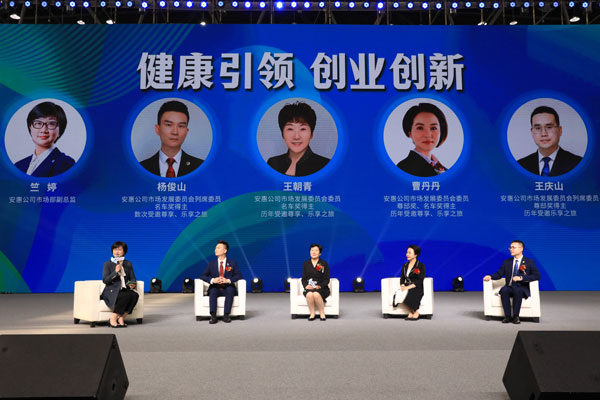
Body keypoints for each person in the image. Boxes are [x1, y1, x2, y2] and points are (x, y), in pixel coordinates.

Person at [140, 100, 204, 177]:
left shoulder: (200, 167)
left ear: (186, 132)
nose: (175, 132)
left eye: (181, 126)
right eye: (168, 125)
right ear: (157, 129)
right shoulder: (141, 168)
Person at [484, 240, 541, 324]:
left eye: (513, 247)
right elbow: (499, 274)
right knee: (504, 290)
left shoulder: (529, 262)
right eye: (510, 248)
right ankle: (507, 316)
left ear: (521, 248)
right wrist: (490, 276)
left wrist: (521, 278)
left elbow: (537, 276)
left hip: (521, 287)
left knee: (517, 290)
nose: (511, 249)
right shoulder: (507, 262)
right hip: (509, 286)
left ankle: (516, 316)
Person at [267, 102, 330, 177]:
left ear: (311, 134)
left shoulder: (325, 165)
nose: (296, 136)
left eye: (303, 129)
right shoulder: (273, 163)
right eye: (290, 129)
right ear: (282, 134)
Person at [517, 106, 582, 177]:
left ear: (560, 130)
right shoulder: (520, 166)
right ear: (532, 132)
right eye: (538, 128)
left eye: (549, 127)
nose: (544, 134)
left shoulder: (578, 164)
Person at [14, 101, 75, 177]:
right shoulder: (18, 165)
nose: (43, 130)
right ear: (30, 127)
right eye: (38, 123)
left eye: (51, 124)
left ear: (60, 130)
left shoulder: (66, 164)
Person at [396, 102, 449, 177]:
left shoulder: (443, 170)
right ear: (410, 132)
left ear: (441, 131)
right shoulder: (403, 169)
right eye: (420, 128)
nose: (428, 134)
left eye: (433, 128)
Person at [199, 240, 242, 324]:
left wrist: (228, 280)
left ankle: (226, 315)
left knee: (230, 290)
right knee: (213, 291)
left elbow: (239, 275)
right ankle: (213, 316)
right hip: (215, 287)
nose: (215, 249)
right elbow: (202, 276)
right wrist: (212, 280)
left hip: (227, 287)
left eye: (218, 248)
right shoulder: (211, 264)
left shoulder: (232, 263)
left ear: (225, 250)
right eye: (215, 248)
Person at [100, 241, 139, 328]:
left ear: (124, 252)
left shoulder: (128, 264)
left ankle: (121, 318)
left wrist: (132, 284)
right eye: (115, 249)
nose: (117, 252)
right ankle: (113, 319)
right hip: (111, 291)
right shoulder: (107, 264)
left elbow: (133, 278)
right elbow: (105, 280)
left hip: (124, 289)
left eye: (120, 250)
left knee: (135, 295)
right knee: (126, 295)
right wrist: (115, 272)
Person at [301, 243, 330, 321]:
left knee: (316, 294)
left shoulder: (324, 263)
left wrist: (319, 286)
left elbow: (326, 279)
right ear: (310, 252)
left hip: (322, 287)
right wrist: (306, 286)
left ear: (320, 253)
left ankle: (322, 313)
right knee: (309, 294)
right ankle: (312, 314)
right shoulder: (306, 264)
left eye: (316, 250)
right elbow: (303, 279)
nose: (313, 252)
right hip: (309, 287)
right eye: (312, 250)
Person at [398, 244, 426, 320]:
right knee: (400, 294)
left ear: (415, 255)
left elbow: (420, 280)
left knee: (412, 293)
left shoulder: (421, 266)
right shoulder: (404, 265)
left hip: (416, 287)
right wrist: (402, 285)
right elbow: (402, 278)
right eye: (407, 252)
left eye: (409, 253)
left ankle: (415, 312)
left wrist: (408, 287)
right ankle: (412, 312)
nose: (407, 254)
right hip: (406, 286)